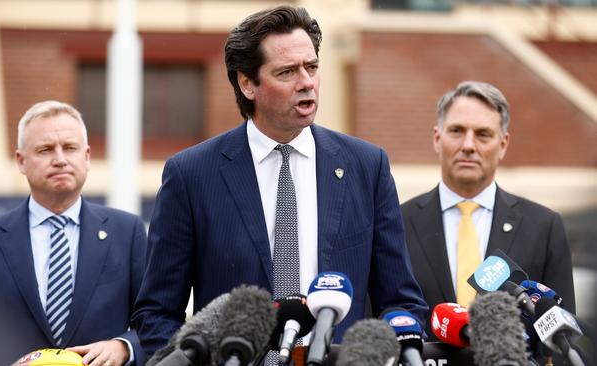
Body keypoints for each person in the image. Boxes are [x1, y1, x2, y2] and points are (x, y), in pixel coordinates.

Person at [132, 5, 427, 358]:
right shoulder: (191, 174)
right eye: (287, 71)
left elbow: (400, 302)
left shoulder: (367, 166)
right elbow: (157, 313)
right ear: (247, 83)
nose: (306, 82)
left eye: (312, 67)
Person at [0, 101, 147, 366]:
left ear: (86, 157)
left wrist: (125, 346)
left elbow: (156, 320)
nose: (60, 159)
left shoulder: (128, 233)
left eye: (70, 148)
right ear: (21, 161)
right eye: (45, 149)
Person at [401, 81, 576, 334]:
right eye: (457, 131)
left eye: (483, 134)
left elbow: (562, 335)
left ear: (503, 144)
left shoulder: (543, 227)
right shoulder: (397, 223)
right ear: (437, 138)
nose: (469, 146)